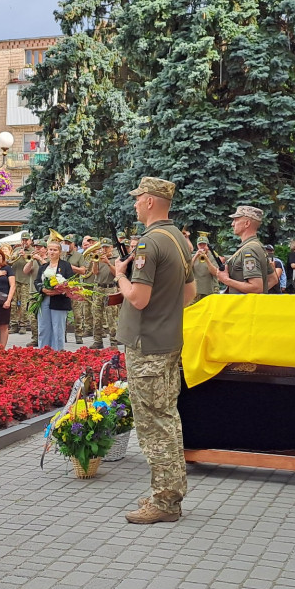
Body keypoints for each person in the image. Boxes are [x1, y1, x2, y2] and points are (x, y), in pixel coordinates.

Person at [113, 177, 194, 525]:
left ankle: (164, 502)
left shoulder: (148, 243)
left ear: (149, 201)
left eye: (137, 199)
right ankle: (170, 493)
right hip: (168, 341)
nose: (134, 205)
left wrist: (120, 275)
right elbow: (189, 294)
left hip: (147, 347)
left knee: (153, 426)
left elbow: (139, 298)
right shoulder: (179, 239)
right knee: (168, 419)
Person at [211, 206, 268, 294]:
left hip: (244, 306)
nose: (232, 224)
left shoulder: (249, 250)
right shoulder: (258, 246)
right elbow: (273, 279)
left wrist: (226, 280)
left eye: (236, 220)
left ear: (247, 223)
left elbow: (256, 288)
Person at [35, 239, 74, 350]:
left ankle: (58, 353)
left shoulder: (65, 265)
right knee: (43, 328)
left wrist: (59, 289)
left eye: (55, 250)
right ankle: (43, 351)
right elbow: (37, 281)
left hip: (59, 301)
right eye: (50, 250)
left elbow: (70, 282)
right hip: (44, 299)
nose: (52, 252)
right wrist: (42, 289)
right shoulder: (44, 266)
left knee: (58, 329)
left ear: (59, 252)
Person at [90, 239, 119, 347]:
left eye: (107, 247)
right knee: (97, 316)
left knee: (111, 316)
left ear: (111, 247)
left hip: (110, 288)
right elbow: (95, 272)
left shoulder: (116, 259)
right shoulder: (98, 257)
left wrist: (108, 263)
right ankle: (97, 341)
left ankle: (113, 342)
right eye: (103, 247)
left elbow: (117, 273)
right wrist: (95, 262)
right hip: (98, 288)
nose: (104, 249)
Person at [9, 233, 36, 336]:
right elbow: (9, 262)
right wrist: (15, 255)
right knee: (13, 304)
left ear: (30, 241)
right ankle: (14, 324)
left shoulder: (33, 251)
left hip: (26, 281)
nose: (24, 242)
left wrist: (25, 256)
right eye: (23, 240)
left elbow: (31, 263)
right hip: (15, 280)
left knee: (24, 305)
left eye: (26, 240)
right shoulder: (16, 250)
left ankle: (23, 325)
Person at [191, 235, 220, 303]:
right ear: (197, 246)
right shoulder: (193, 257)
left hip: (210, 291)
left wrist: (206, 259)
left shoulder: (213, 257)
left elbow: (214, 272)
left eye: (204, 244)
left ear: (208, 245)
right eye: (200, 244)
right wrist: (196, 256)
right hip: (196, 292)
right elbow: (187, 269)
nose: (202, 246)